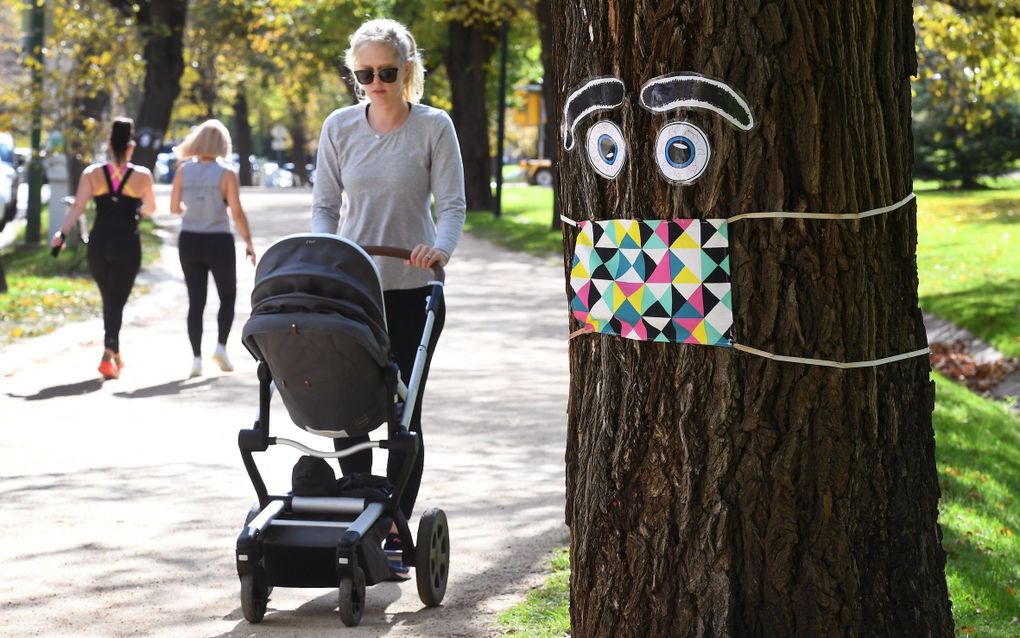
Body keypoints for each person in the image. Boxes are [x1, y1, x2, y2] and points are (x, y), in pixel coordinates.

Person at [311, 18, 466, 575]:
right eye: (364, 73)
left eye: (385, 72)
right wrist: (326, 252)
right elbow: (326, 206)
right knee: (347, 407)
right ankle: (358, 513)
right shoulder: (339, 127)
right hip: (355, 292)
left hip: (411, 290)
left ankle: (398, 521)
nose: (375, 82)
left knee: (402, 412)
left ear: (407, 71)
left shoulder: (433, 127)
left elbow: (450, 206)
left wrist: (439, 251)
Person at [51, 117, 156, 380]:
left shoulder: (92, 174)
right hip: (127, 244)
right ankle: (110, 352)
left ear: (109, 145)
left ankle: (113, 353)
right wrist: (137, 208)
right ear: (130, 147)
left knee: (109, 298)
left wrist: (61, 233)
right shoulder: (143, 176)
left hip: (99, 244)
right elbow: (151, 210)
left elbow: (78, 207)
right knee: (116, 300)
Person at [170, 119, 256, 378]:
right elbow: (237, 213)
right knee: (227, 296)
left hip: (189, 239)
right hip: (219, 240)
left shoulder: (183, 171)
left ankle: (196, 358)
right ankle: (221, 346)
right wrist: (249, 243)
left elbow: (174, 209)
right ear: (222, 144)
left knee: (196, 300)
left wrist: (191, 210)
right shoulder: (226, 173)